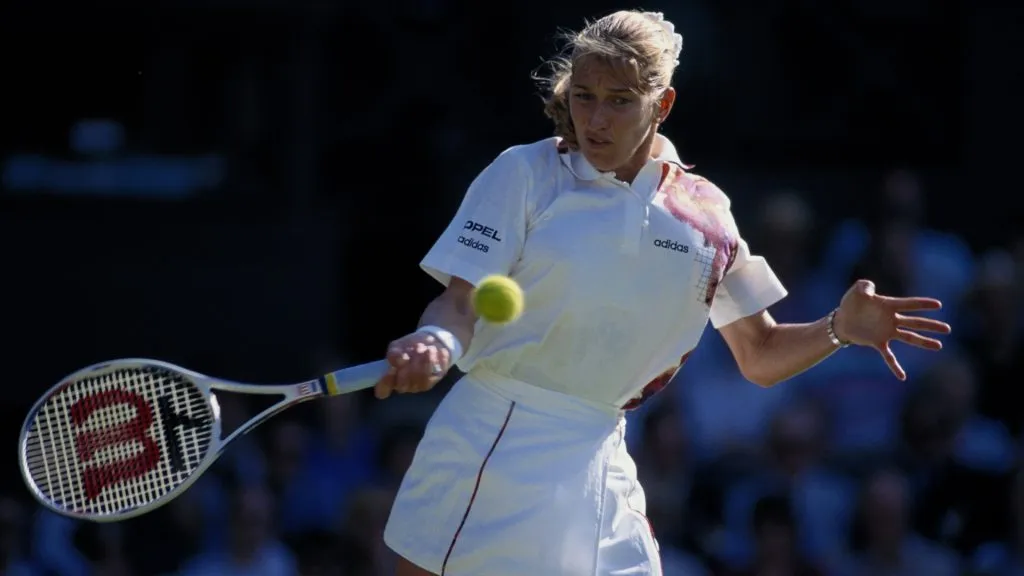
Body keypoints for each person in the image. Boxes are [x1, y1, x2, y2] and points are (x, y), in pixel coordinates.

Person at [373, 9, 951, 576]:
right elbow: (459, 302)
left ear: (663, 104)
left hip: (604, 458)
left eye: (619, 100)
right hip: (491, 445)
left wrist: (837, 330)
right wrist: (437, 339)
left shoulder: (707, 216)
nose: (595, 119)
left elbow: (759, 352)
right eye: (584, 96)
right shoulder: (523, 173)